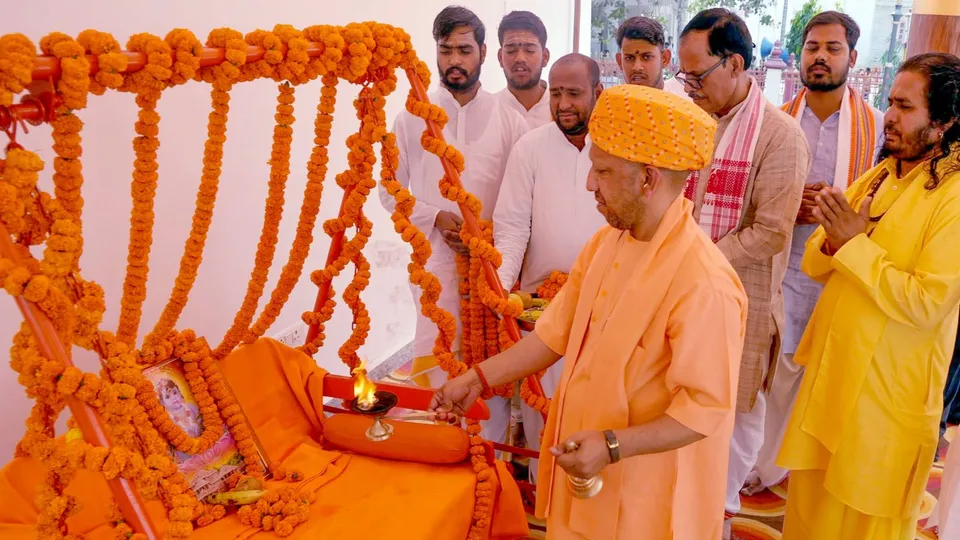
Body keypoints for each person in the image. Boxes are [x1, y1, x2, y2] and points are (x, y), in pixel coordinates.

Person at [431, 84, 749, 539]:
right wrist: (476, 379)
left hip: (647, 499)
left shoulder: (705, 283)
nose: (589, 185)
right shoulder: (605, 245)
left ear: (648, 178)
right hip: (586, 473)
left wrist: (613, 445)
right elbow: (552, 335)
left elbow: (704, 409)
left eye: (602, 171)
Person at [777, 52, 960, 539]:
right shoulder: (883, 173)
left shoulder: (954, 195)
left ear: (945, 121)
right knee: (808, 517)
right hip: (833, 384)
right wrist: (836, 242)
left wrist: (853, 245)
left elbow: (927, 302)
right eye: (891, 103)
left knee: (863, 522)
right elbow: (816, 262)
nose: (890, 117)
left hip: (884, 401)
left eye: (905, 107)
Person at [676, 8, 809, 530]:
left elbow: (771, 232)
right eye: (684, 76)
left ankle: (718, 519)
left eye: (697, 75)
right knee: (680, 410)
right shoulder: (692, 123)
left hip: (741, 310)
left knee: (732, 422)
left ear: (734, 64)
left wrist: (693, 259)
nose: (689, 87)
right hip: (682, 299)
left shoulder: (780, 136)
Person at [743, 11, 885, 496]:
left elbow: (885, 201)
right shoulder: (774, 123)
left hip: (838, 269)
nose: (820, 57)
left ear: (853, 58)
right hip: (780, 265)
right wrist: (788, 204)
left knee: (821, 373)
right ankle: (763, 463)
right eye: (812, 47)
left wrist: (838, 213)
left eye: (832, 48)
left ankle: (802, 461)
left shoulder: (876, 128)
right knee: (772, 366)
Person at [378, 6, 528, 443]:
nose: (455, 61)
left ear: (483, 52)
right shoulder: (411, 117)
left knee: (490, 365)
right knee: (435, 357)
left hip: (491, 267)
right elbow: (389, 189)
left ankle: (489, 454)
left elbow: (523, 200)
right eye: (446, 51)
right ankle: (440, 451)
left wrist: (484, 236)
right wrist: (435, 216)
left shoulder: (510, 120)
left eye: (465, 50)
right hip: (434, 268)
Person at [492, 53, 608, 481]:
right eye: (556, 93)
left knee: (597, 409)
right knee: (543, 408)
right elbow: (510, 227)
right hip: (543, 305)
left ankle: (591, 500)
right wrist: (502, 290)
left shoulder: (618, 147)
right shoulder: (531, 147)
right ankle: (545, 495)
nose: (563, 105)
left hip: (608, 303)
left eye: (574, 93)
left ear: (598, 92)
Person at [497, 11, 552, 129]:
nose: (520, 58)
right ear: (500, 57)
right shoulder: (488, 110)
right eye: (511, 51)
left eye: (529, 50)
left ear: (545, 57)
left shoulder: (562, 111)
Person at [615, 16, 686, 97]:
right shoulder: (611, 103)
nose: (637, 67)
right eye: (629, 58)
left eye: (646, 57)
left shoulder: (685, 101)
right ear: (620, 61)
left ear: (664, 59)